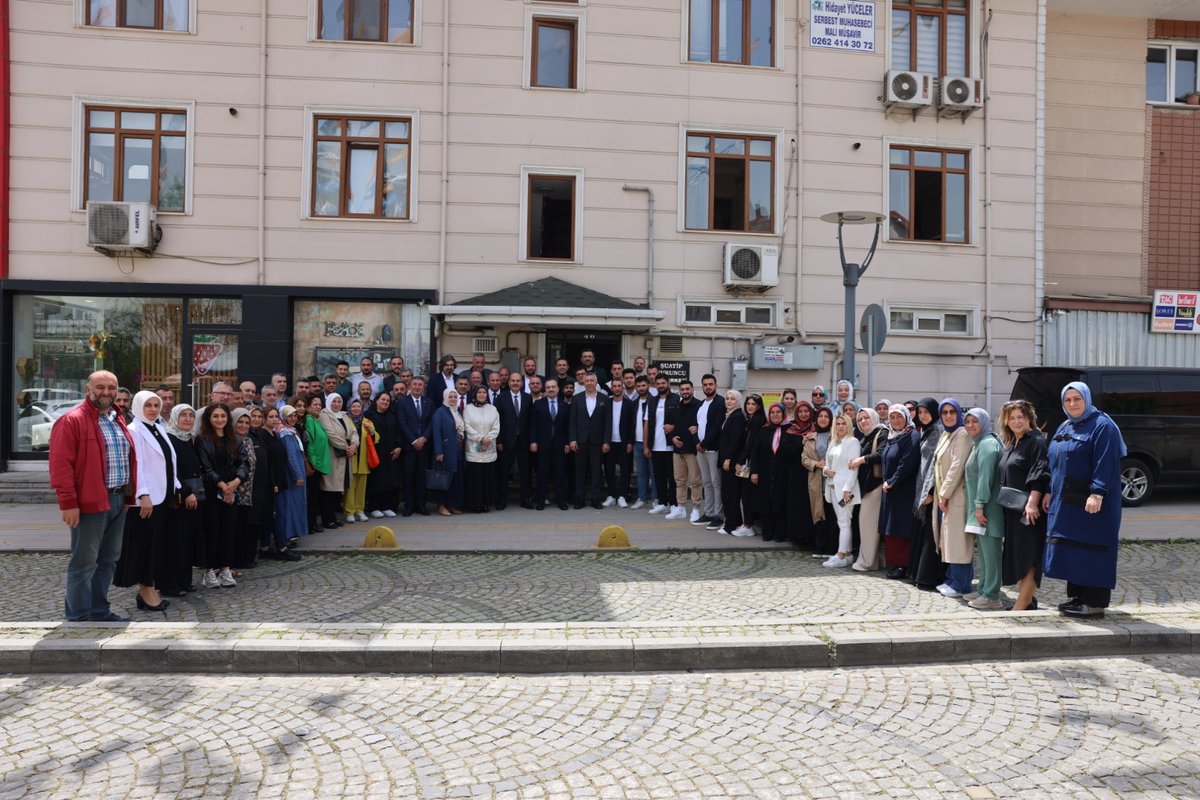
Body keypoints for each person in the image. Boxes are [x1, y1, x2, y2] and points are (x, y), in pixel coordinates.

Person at [50, 370, 136, 622]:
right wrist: (68, 502)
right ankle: (78, 616)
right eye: (100, 387)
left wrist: (128, 497)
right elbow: (60, 465)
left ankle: (99, 611)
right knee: (84, 563)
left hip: (119, 499)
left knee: (109, 560)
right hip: (89, 502)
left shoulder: (117, 419)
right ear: (88, 389)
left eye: (112, 387)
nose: (107, 392)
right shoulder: (71, 420)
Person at [1044, 382, 1125, 618]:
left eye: (1077, 399)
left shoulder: (1102, 426)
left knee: (1093, 548)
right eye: (1067, 400)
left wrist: (1097, 493)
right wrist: (1049, 489)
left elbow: (1106, 463)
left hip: (1092, 501)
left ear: (1087, 399)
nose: (1072, 404)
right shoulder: (1065, 425)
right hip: (1067, 500)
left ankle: (1095, 602)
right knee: (1073, 548)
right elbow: (1055, 461)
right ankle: (1078, 596)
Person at [113, 390, 178, 613]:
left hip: (163, 496)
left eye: (156, 405)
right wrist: (143, 494)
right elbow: (137, 465)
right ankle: (145, 589)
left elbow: (168, 460)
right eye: (148, 405)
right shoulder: (135, 430)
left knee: (156, 544)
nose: (153, 409)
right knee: (145, 545)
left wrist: (176, 486)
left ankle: (150, 586)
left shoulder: (158, 427)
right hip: (147, 499)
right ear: (139, 406)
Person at [998, 399, 1048, 612]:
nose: (1016, 421)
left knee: (1029, 556)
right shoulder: (1013, 443)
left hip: (1028, 510)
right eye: (1012, 418)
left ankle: (1023, 603)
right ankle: (1027, 599)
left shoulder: (1036, 442)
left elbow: (1040, 473)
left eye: (1021, 417)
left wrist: (1033, 503)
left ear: (1029, 418)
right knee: (1019, 554)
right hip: (1013, 509)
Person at [195, 403, 245, 589]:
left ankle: (225, 568)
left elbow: (243, 463)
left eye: (223, 416)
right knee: (212, 531)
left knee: (228, 530)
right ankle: (209, 571)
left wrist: (235, 483)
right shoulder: (202, 439)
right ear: (209, 418)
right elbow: (205, 467)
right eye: (215, 416)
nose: (220, 420)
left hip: (232, 489)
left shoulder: (235, 439)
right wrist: (223, 486)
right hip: (211, 491)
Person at [963, 408, 1005, 609]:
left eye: (974, 421)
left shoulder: (987, 444)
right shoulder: (979, 443)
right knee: (984, 552)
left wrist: (979, 505)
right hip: (980, 508)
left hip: (987, 509)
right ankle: (983, 589)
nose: (970, 425)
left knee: (991, 552)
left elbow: (985, 478)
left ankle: (992, 595)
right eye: (967, 421)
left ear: (984, 422)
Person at [932, 398, 974, 598]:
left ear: (959, 414)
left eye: (952, 412)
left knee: (958, 542)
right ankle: (951, 578)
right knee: (948, 540)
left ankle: (961, 584)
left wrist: (944, 493)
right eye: (944, 412)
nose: (948, 416)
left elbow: (956, 467)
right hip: (945, 496)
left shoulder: (963, 434)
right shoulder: (945, 434)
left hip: (957, 495)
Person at [872, 404, 920, 578]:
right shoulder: (892, 436)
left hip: (903, 490)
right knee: (891, 528)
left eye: (899, 416)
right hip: (890, 491)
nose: (896, 420)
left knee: (901, 529)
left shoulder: (912, 436)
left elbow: (907, 463)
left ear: (907, 418)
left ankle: (903, 565)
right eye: (892, 417)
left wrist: (892, 481)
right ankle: (894, 563)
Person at [163, 403, 204, 593]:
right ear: (174, 418)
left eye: (191, 415)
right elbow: (172, 470)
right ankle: (170, 584)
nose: (188, 419)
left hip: (194, 496)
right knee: (175, 541)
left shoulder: (189, 438)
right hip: (179, 497)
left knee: (188, 540)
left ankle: (184, 581)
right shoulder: (170, 438)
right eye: (183, 415)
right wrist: (187, 491)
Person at [907, 397, 946, 589]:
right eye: (920, 412)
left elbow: (935, 463)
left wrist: (930, 490)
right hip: (922, 486)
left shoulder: (938, 430)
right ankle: (917, 573)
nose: (922, 416)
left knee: (930, 534)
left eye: (926, 412)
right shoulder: (927, 430)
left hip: (931, 488)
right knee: (922, 532)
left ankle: (928, 577)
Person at [750, 403, 799, 543]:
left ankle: (779, 534)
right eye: (772, 412)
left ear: (783, 414)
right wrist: (754, 472)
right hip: (764, 473)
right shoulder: (763, 430)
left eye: (778, 412)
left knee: (780, 503)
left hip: (782, 474)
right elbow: (755, 452)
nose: (775, 415)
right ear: (769, 415)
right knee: (765, 504)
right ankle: (767, 533)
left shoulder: (790, 430)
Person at [257, 406, 300, 562]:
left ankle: (265, 547)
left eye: (276, 417)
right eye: (271, 417)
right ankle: (282, 547)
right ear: (264, 419)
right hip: (272, 482)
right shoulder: (262, 435)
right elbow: (266, 462)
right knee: (278, 515)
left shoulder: (274, 434)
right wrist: (273, 482)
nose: (274, 419)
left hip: (280, 480)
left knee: (274, 515)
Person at [849, 408, 887, 572]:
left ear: (874, 418)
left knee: (867, 525)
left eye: (866, 418)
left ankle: (866, 562)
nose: (863, 421)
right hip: (866, 486)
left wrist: (861, 460)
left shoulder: (881, 432)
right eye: (860, 419)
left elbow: (880, 454)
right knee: (870, 526)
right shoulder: (866, 437)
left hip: (875, 485)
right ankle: (877, 561)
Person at [822, 413, 861, 567]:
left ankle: (841, 555)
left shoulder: (853, 442)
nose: (840, 426)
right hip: (832, 487)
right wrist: (826, 471)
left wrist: (847, 489)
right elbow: (826, 464)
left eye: (843, 423)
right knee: (842, 521)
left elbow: (853, 468)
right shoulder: (834, 442)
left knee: (844, 521)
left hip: (846, 490)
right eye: (837, 424)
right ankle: (848, 553)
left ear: (849, 425)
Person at [569, 372, 611, 509]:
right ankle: (579, 499)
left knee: (596, 472)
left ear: (596, 382)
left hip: (597, 442)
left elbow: (608, 422)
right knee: (579, 472)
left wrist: (606, 441)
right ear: (583, 382)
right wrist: (572, 439)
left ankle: (595, 499)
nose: (589, 383)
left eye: (592, 381)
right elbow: (572, 421)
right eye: (587, 381)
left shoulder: (605, 399)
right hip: (580, 441)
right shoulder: (577, 398)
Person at [271, 405, 307, 558]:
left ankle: (292, 532)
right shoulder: (285, 432)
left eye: (294, 415)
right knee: (291, 504)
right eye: (289, 416)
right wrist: (298, 475)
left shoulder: (290, 430)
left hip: (296, 470)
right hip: (293, 474)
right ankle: (289, 533)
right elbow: (291, 456)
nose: (293, 418)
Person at [229, 408, 262, 570]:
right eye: (240, 422)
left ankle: (241, 559)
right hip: (233, 491)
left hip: (248, 492)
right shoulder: (230, 441)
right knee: (234, 529)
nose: (243, 425)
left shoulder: (248, 440)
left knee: (243, 528)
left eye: (246, 422)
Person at [319, 393, 358, 529]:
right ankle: (327, 519)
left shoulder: (344, 415)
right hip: (333, 457)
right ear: (329, 402)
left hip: (345, 457)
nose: (336, 404)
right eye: (334, 401)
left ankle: (333, 517)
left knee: (338, 490)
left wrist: (354, 446)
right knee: (329, 489)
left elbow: (354, 432)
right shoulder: (324, 415)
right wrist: (347, 447)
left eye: (339, 401)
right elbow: (331, 435)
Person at [531, 378, 571, 510]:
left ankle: (561, 501)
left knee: (560, 474)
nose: (551, 389)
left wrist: (567, 443)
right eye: (548, 387)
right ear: (545, 389)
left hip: (559, 445)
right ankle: (541, 501)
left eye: (553, 387)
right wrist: (533, 441)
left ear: (558, 389)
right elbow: (533, 425)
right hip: (543, 445)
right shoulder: (538, 404)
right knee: (542, 474)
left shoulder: (565, 405)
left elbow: (567, 427)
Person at [495, 372, 533, 510]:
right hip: (506, 441)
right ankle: (502, 501)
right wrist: (498, 441)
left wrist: (532, 441)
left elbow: (531, 421)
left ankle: (525, 499)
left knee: (525, 472)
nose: (515, 383)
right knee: (504, 472)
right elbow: (497, 421)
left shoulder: (528, 398)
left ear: (522, 383)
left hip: (524, 441)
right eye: (513, 380)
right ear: (509, 382)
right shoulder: (501, 398)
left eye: (518, 381)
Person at [801, 407, 835, 557]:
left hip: (832, 481)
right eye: (820, 416)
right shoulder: (810, 437)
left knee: (831, 514)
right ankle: (820, 548)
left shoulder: (836, 436)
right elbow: (804, 459)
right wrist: (816, 464)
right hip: (815, 480)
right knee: (818, 514)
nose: (823, 419)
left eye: (826, 416)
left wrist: (828, 463)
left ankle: (831, 548)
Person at [398, 376, 434, 516]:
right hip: (409, 447)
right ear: (410, 386)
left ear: (423, 387)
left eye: (420, 384)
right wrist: (414, 441)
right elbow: (402, 423)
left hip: (424, 446)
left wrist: (424, 438)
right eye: (415, 384)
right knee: (408, 477)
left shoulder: (429, 402)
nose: (417, 387)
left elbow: (432, 422)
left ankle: (421, 505)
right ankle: (409, 506)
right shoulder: (402, 402)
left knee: (422, 477)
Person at [643, 375, 679, 516]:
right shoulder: (652, 401)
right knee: (659, 477)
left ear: (668, 383)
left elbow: (682, 420)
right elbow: (646, 424)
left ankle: (674, 504)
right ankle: (662, 503)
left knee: (672, 477)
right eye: (658, 383)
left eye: (663, 383)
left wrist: (673, 426)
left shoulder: (676, 399)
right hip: (655, 446)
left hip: (670, 446)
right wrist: (646, 446)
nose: (661, 385)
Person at [463, 385, 500, 513]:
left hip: (488, 448)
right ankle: (475, 504)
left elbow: (496, 427)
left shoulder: (493, 409)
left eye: (484, 392)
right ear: (475, 394)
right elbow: (466, 426)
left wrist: (487, 439)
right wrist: (480, 439)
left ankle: (485, 503)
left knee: (486, 479)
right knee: (475, 479)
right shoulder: (468, 408)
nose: (482, 394)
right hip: (473, 449)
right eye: (479, 392)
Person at [694, 374, 725, 529]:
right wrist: (698, 444)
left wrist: (704, 444)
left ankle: (719, 516)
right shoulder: (701, 404)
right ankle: (708, 513)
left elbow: (717, 427)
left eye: (710, 384)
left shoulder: (720, 402)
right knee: (706, 482)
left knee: (716, 483)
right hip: (701, 449)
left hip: (712, 449)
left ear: (716, 385)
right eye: (705, 384)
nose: (708, 387)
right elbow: (696, 427)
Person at [365, 392, 402, 518]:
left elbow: (398, 432)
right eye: (382, 399)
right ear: (376, 400)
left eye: (387, 400)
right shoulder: (368, 416)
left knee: (389, 480)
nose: (385, 402)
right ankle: (374, 507)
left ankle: (386, 506)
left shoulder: (392, 416)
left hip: (391, 453)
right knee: (375, 480)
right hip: (375, 452)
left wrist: (398, 446)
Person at [716, 390, 747, 536]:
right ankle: (734, 521)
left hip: (731, 461)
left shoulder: (738, 416)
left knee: (731, 494)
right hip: (726, 459)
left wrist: (728, 458)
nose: (729, 401)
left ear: (738, 401)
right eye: (727, 399)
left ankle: (731, 525)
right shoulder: (730, 415)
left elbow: (735, 440)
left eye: (732, 399)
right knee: (727, 493)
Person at [603, 378, 637, 508]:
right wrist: (604, 441)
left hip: (624, 442)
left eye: (619, 386)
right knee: (609, 469)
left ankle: (622, 495)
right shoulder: (607, 403)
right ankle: (611, 495)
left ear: (622, 388)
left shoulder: (629, 404)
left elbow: (631, 425)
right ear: (611, 388)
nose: (617, 388)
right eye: (614, 386)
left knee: (625, 470)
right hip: (610, 442)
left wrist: (630, 442)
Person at [431, 387, 466, 515]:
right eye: (450, 397)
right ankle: (441, 506)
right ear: (445, 397)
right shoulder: (440, 412)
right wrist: (439, 452)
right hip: (446, 451)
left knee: (455, 479)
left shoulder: (458, 411)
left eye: (455, 397)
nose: (453, 399)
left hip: (458, 451)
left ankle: (451, 504)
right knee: (445, 479)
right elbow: (436, 432)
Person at [343, 398, 375, 523]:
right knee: (350, 487)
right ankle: (349, 511)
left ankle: (359, 510)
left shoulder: (367, 421)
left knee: (362, 487)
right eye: (353, 406)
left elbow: (376, 438)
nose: (356, 409)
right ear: (349, 407)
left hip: (363, 459)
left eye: (358, 406)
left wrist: (371, 431)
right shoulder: (345, 420)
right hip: (351, 456)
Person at [630, 375, 655, 509]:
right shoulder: (634, 403)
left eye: (643, 386)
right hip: (637, 443)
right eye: (638, 386)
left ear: (648, 386)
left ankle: (656, 499)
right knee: (641, 472)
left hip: (651, 443)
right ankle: (641, 498)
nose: (641, 388)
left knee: (653, 472)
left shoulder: (654, 401)